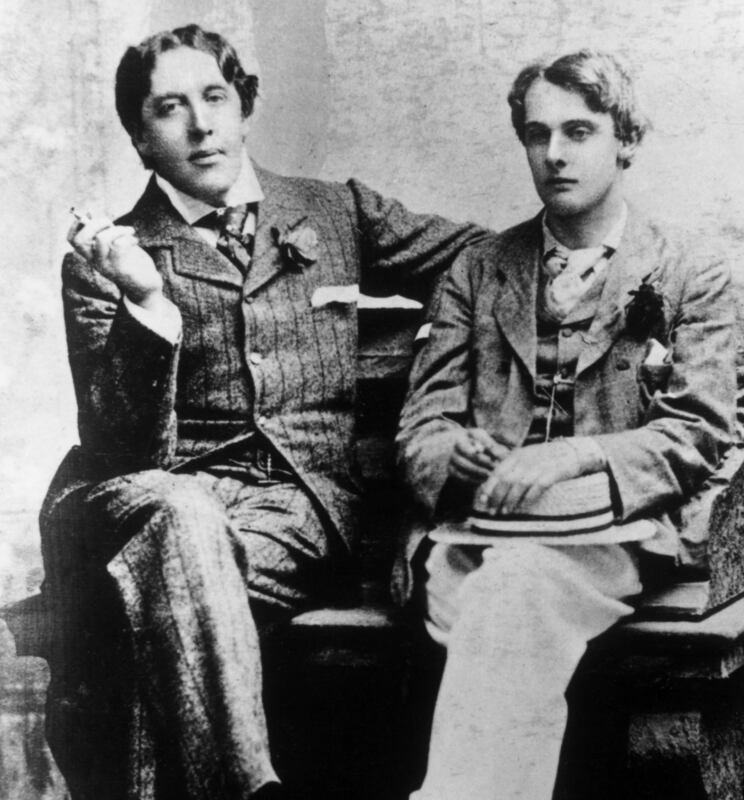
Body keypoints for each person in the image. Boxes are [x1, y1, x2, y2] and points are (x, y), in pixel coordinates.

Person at [38, 23, 484, 800]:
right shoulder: (107, 258)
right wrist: (145, 298)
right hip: (139, 498)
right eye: (169, 109)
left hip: (295, 513)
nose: (201, 124)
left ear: (244, 108)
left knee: (155, 614)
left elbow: (484, 262)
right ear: (141, 141)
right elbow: (120, 446)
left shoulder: (335, 211)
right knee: (181, 517)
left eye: (215, 97)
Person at [395, 50, 736, 799]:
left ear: (627, 141)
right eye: (537, 134)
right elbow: (422, 427)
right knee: (501, 600)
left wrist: (576, 457)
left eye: (578, 131)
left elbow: (700, 431)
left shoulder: (688, 268)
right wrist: (459, 451)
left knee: (510, 602)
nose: (554, 153)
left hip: (616, 534)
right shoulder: (480, 269)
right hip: (478, 537)